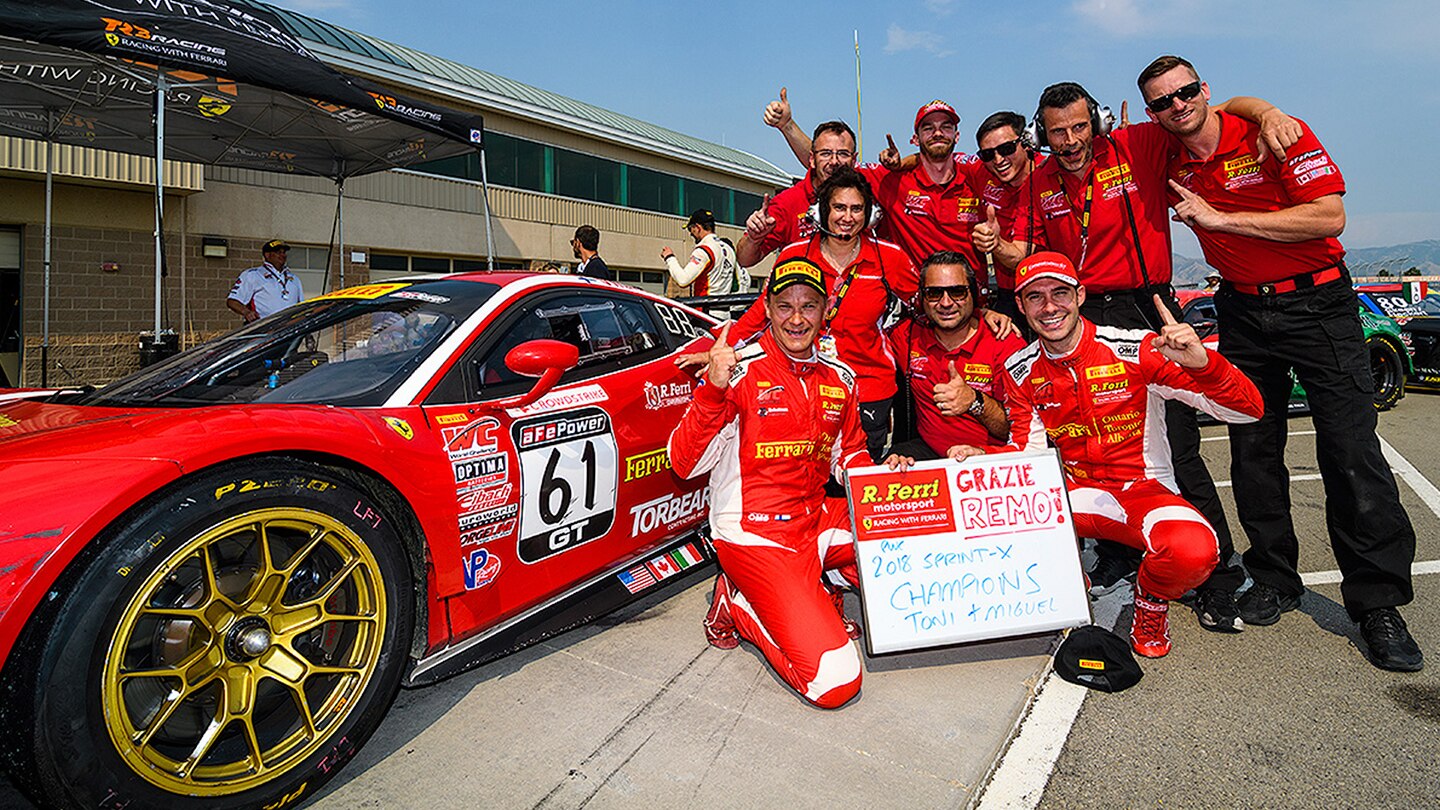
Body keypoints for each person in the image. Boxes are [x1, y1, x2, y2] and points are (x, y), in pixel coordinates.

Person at [1138, 54, 1423, 671]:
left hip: (1318, 302)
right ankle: (1274, 576)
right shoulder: (1170, 153)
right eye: (1161, 101)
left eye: (1185, 92)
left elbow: (1330, 215)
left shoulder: (1274, 131)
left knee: (1350, 451)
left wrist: (1222, 216)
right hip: (1241, 311)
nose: (1176, 106)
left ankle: (1376, 603)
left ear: (1204, 89)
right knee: (1252, 450)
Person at [991, 81, 1296, 629]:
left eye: (1080, 126)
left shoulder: (1139, 144)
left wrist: (1268, 109)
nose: (1069, 140)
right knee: (1084, 437)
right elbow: (1027, 253)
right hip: (1077, 311)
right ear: (1042, 135)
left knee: (1176, 448)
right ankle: (1117, 552)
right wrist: (995, 249)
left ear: (1099, 122)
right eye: (1056, 132)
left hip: (1143, 307)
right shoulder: (1038, 180)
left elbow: (1209, 109)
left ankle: (1217, 576)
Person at [952, 252, 1264, 658]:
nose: (1049, 307)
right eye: (1035, 297)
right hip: (1074, 495)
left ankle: (1150, 603)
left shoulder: (1137, 349)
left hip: (1142, 491)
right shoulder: (1020, 368)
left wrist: (1204, 363)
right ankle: (1064, 593)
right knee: (987, 515)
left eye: (1060, 293)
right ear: (1022, 306)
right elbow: (1023, 452)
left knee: (1196, 550)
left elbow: (1247, 410)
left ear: (1080, 295)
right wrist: (981, 460)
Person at [667, 257, 882, 708]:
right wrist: (712, 389)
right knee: (834, 684)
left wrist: (885, 484)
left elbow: (851, 456)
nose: (798, 318)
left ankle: (821, 588)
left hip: (813, 521)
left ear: (826, 311)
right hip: (756, 534)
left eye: (809, 305)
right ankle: (738, 605)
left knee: (902, 530)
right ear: (766, 308)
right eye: (785, 306)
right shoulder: (738, 372)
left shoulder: (840, 377)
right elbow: (684, 464)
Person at [721, 167, 915, 461]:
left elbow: (931, 304)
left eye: (856, 209)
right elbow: (764, 310)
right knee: (806, 474)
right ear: (821, 212)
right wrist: (721, 347)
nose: (847, 217)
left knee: (857, 477)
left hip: (869, 389)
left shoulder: (889, 257)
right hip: (805, 385)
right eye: (838, 207)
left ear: (870, 215)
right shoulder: (795, 253)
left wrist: (982, 316)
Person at [767, 93, 986, 289]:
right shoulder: (891, 179)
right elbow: (829, 163)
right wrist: (788, 126)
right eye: (928, 128)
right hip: (920, 304)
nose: (937, 133)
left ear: (957, 135)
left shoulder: (978, 174)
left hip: (974, 303)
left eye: (946, 126)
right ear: (915, 139)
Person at [888, 251, 1024, 460]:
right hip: (929, 453)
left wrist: (974, 400)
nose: (945, 302)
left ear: (974, 294)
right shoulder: (906, 336)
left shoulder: (1004, 342)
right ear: (922, 298)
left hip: (991, 457)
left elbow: (1016, 429)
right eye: (934, 293)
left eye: (957, 292)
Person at [736, 112, 859, 268]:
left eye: (842, 154)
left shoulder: (868, 193)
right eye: (826, 153)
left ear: (854, 160)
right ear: (812, 159)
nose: (834, 161)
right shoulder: (787, 203)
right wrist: (753, 238)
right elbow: (744, 260)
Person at [968, 112, 1045, 323]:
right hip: (1007, 295)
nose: (998, 160)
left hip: (1048, 293)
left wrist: (996, 244)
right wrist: (901, 163)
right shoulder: (982, 172)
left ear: (1027, 143)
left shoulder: (1049, 175)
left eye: (1007, 149)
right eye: (988, 154)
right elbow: (941, 161)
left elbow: (1021, 257)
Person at [661, 209, 742, 296]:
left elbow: (683, 280)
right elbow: (735, 286)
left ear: (697, 227)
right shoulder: (729, 249)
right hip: (725, 307)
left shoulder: (704, 250)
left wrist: (669, 257)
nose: (691, 234)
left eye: (690, 229)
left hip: (705, 307)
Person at [227, 239, 303, 322]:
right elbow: (232, 301)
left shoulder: (294, 279)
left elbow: (301, 307)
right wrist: (246, 312)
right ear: (267, 255)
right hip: (264, 330)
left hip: (289, 330)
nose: (282, 255)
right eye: (278, 252)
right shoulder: (253, 275)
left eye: (284, 252)